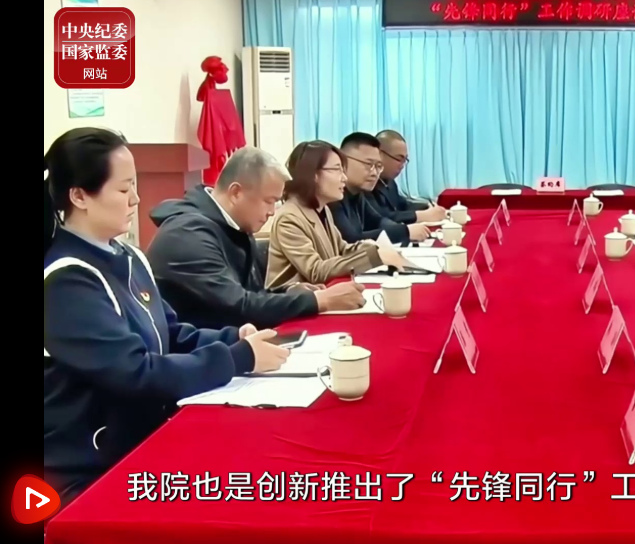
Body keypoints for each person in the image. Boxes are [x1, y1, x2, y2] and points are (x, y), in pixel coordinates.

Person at [43, 128, 289, 506]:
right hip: (92, 468)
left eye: (135, 185)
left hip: (146, 436)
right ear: (79, 196)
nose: (136, 199)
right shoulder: (66, 280)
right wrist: (238, 358)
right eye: (124, 189)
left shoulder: (129, 257)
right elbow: (135, 372)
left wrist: (232, 337)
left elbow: (169, 333)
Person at [147, 147, 367, 330]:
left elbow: (249, 294)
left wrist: (289, 291)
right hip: (198, 351)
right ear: (236, 193)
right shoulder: (188, 235)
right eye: (268, 201)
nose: (272, 212)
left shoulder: (234, 225)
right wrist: (320, 301)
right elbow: (237, 307)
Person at [266, 140, 409, 290]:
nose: (344, 178)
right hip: (295, 300)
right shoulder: (289, 218)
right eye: (337, 169)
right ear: (313, 174)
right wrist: (373, 256)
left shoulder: (322, 209)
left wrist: (374, 247)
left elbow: (342, 250)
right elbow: (316, 271)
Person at [330, 132, 431, 245]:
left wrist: (406, 229)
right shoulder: (332, 196)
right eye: (368, 164)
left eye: (378, 166)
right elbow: (351, 240)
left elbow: (377, 221)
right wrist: (405, 232)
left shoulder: (357, 193)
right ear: (343, 161)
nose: (374, 173)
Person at [372, 129, 447, 224]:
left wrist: (428, 206)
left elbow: (403, 205)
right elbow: (380, 218)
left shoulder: (390, 182)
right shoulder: (366, 184)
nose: (402, 165)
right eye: (399, 159)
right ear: (379, 154)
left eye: (405, 160)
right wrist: (420, 216)